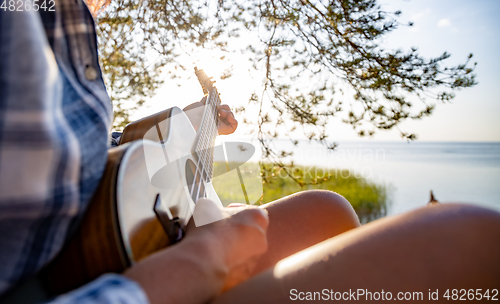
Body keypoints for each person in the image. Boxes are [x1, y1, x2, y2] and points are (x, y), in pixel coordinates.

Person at [1, 1, 499, 304]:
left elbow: (80, 158)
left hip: (102, 248)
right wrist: (179, 273)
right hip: (88, 285)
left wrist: (183, 128)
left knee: (325, 213)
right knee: (473, 241)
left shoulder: (61, 20)